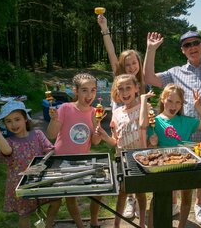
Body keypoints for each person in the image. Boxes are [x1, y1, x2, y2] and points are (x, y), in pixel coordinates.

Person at [143, 31, 201, 225]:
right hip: (181, 136)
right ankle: (175, 204)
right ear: (183, 51)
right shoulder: (175, 72)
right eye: (187, 45)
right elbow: (148, 77)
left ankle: (199, 204)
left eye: (195, 43)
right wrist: (151, 50)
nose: (192, 47)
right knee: (178, 175)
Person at [141, 83, 201, 228]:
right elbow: (150, 149)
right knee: (159, 199)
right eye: (169, 101)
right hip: (163, 169)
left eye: (177, 102)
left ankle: (181, 225)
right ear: (163, 100)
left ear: (181, 104)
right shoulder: (154, 122)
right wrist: (152, 143)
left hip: (186, 166)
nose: (173, 105)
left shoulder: (186, 121)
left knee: (187, 197)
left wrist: (198, 107)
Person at [97, 13, 147, 216]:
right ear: (122, 66)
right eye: (127, 64)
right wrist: (104, 29)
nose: (131, 67)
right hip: (121, 130)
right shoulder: (120, 78)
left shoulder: (144, 84)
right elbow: (110, 52)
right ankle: (129, 201)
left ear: (139, 63)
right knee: (123, 169)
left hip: (138, 133)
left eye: (134, 63)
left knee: (139, 168)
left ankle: (139, 201)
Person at [0, 100, 61, 228]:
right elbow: (6, 151)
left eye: (17, 119)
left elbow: (50, 150)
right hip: (21, 184)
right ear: (4, 124)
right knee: (25, 214)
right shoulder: (8, 142)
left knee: (56, 201)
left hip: (41, 180)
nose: (13, 124)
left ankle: (48, 224)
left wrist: (45, 159)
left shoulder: (37, 134)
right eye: (8, 121)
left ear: (25, 119)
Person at [47, 72, 103, 228]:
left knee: (98, 192)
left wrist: (98, 129)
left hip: (83, 159)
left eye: (93, 90)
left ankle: (94, 221)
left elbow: (96, 142)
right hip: (62, 160)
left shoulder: (94, 112)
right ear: (75, 91)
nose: (89, 94)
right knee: (71, 197)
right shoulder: (65, 108)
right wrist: (53, 120)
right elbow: (51, 134)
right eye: (84, 90)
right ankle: (80, 225)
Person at [95, 74, 149, 228]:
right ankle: (116, 224)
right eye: (120, 89)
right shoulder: (117, 113)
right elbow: (115, 142)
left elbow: (146, 126)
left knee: (140, 193)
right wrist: (105, 136)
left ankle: (143, 222)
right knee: (122, 193)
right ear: (116, 92)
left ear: (137, 88)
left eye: (128, 88)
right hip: (122, 159)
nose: (125, 92)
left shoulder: (143, 107)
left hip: (140, 159)